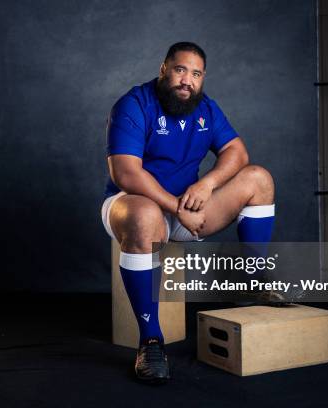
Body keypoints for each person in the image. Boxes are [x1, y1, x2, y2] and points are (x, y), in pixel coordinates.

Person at [101, 42, 275, 383]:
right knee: (144, 215)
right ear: (164, 69)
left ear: (203, 78)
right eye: (180, 70)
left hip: (186, 209)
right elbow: (125, 173)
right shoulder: (134, 104)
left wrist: (207, 185)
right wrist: (175, 208)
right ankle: (150, 340)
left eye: (196, 74)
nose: (187, 81)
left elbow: (236, 152)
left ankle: (253, 281)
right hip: (130, 205)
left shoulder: (206, 109)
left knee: (259, 179)